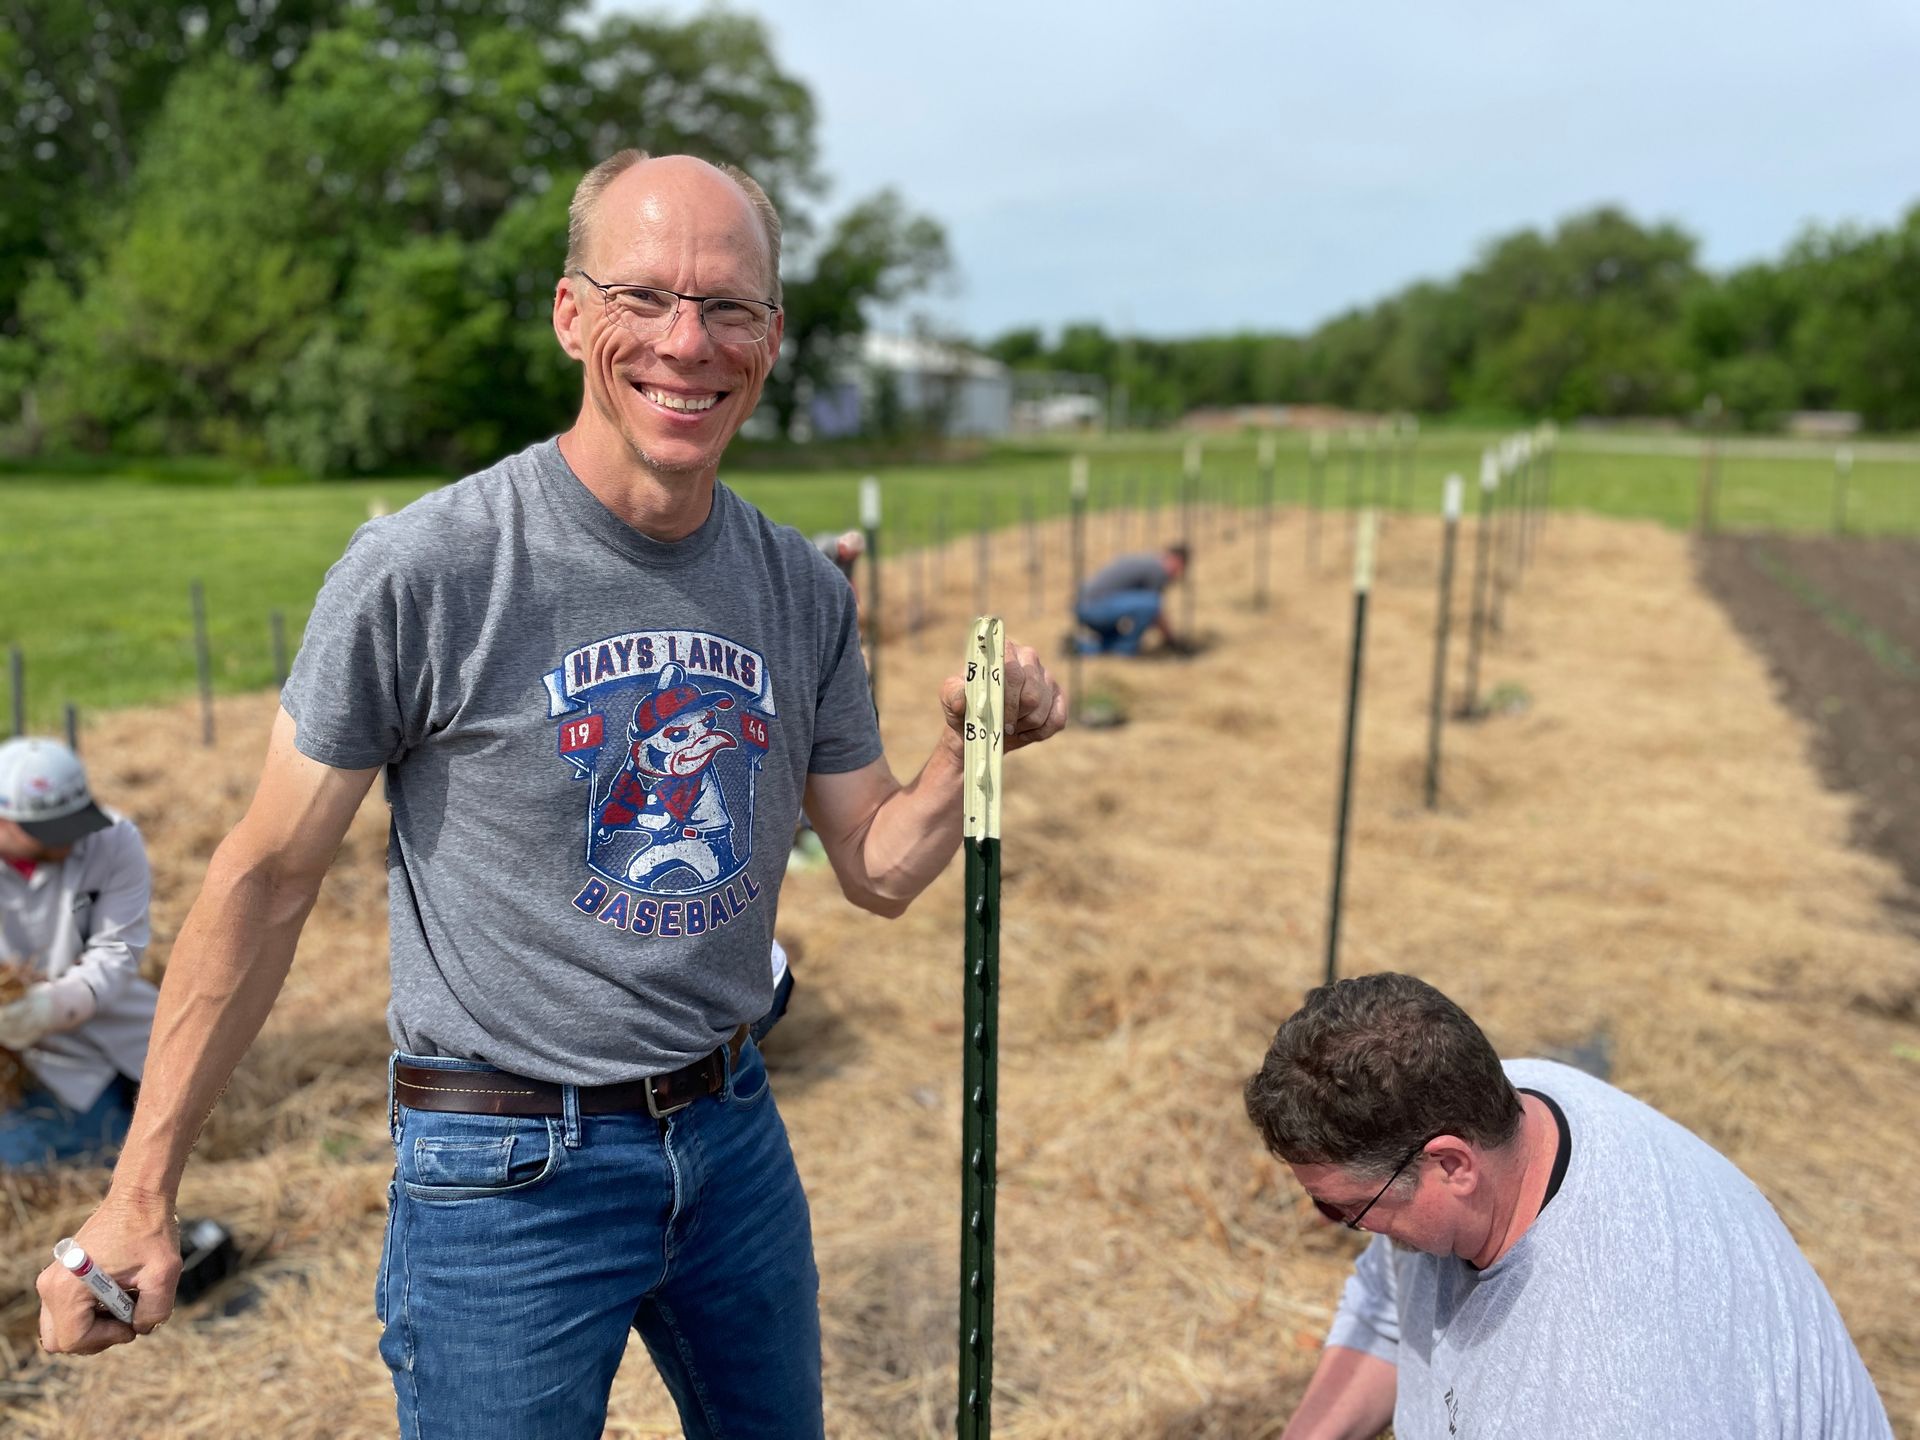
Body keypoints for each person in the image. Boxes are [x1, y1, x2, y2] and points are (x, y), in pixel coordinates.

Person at [36, 149, 1067, 1440]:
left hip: (731, 1133)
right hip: (505, 1167)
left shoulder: (800, 588)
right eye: (644, 298)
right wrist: (142, 1193)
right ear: (572, 314)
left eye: (729, 307)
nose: (687, 343)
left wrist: (975, 761)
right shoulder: (430, 570)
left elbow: (876, 863)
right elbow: (265, 877)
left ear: (774, 338)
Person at [1242, 972, 1892, 1439]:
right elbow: (1389, 1308)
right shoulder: (1499, 1101)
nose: (1352, 1229)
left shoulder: (1614, 1382)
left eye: (1345, 1210)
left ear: (1451, 1165)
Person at [0, 737, 157, 1168]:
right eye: (49, 832)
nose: (70, 839)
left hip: (108, 1015)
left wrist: (48, 1008)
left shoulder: (112, 838)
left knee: (123, 1128)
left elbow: (117, 949)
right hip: (28, 1058)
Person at [1074, 544, 1187, 655]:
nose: (1177, 575)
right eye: (1180, 569)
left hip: (1086, 607)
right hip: (1094, 609)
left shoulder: (1147, 563)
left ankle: (1082, 647)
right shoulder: (1157, 571)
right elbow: (1156, 612)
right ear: (1176, 561)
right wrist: (1171, 641)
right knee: (1151, 604)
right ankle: (1124, 649)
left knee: (1144, 608)